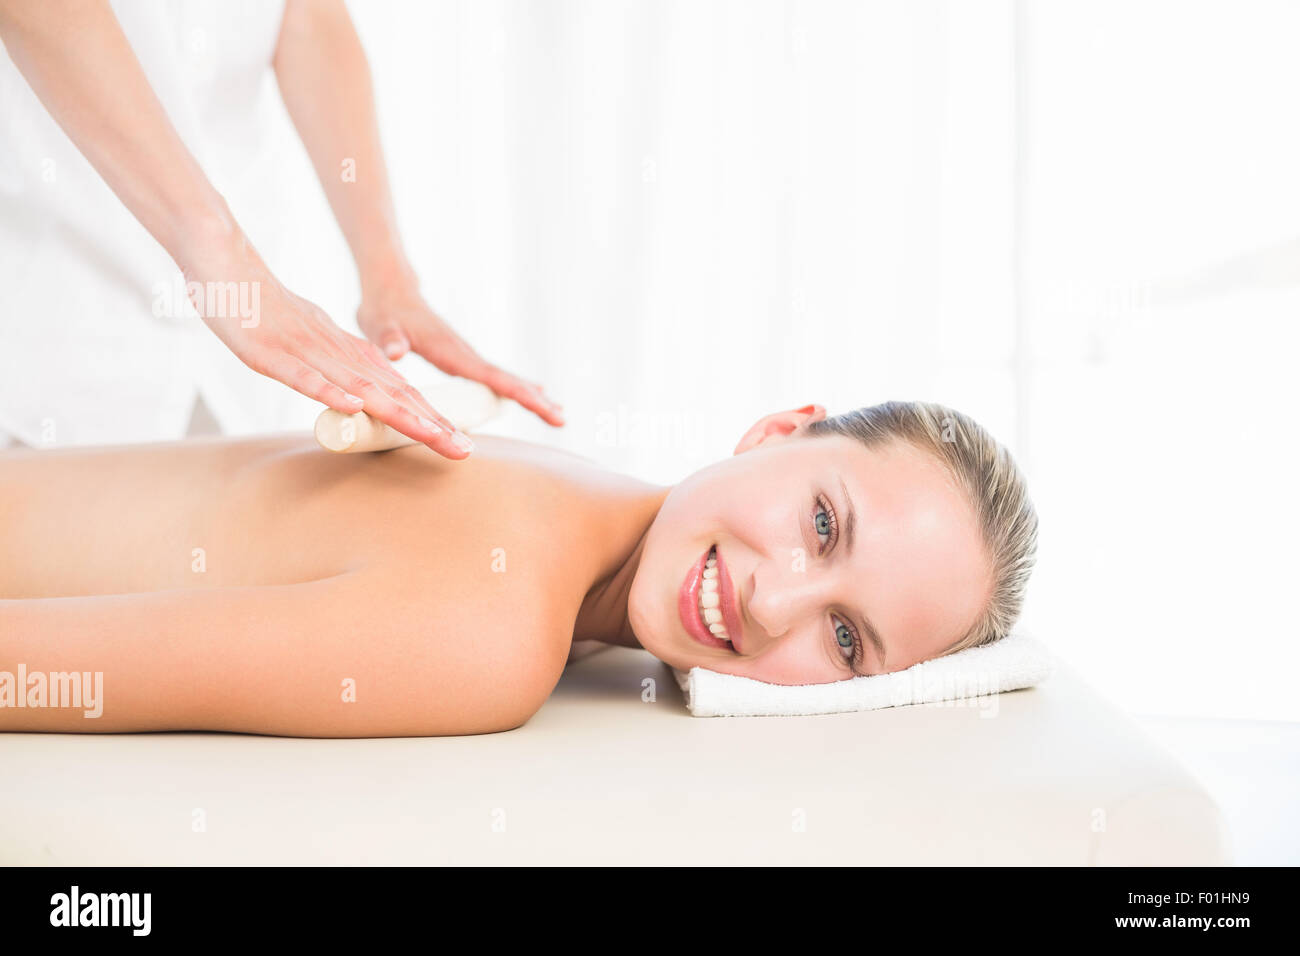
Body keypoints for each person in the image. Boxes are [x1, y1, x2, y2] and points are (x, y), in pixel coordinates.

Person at [0, 400, 1040, 737]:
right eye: (822, 521)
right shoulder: (493, 636)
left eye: (846, 638)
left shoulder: (565, 489)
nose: (773, 601)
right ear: (779, 430)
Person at [0, 0, 563, 457]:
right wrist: (220, 256)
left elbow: (305, 14)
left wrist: (388, 274)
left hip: (240, 372)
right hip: (61, 331)